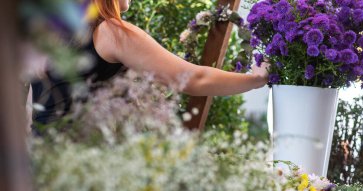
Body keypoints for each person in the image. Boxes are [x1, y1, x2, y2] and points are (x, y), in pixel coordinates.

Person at [31, 0, 269, 126]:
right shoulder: (111, 33)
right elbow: (193, 78)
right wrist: (256, 79)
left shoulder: (47, 35)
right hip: (80, 172)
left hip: (43, 167)